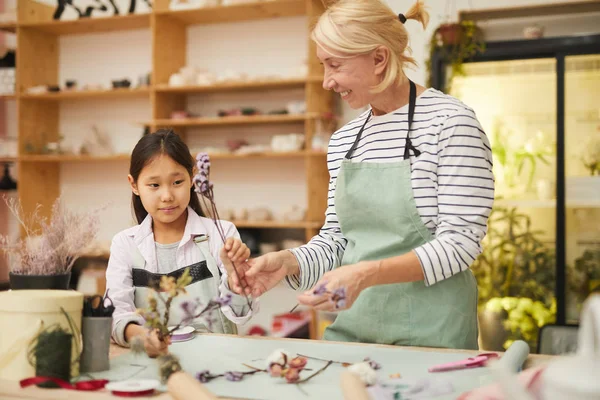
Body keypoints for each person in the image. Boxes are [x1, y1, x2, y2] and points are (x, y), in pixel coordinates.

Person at [227, 0, 494, 349]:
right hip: (355, 334)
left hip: (433, 337)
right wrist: (288, 262)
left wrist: (366, 274)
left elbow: (461, 244)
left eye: (334, 65)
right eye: (323, 66)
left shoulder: (450, 123)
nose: (326, 82)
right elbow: (338, 240)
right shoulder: (344, 140)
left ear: (379, 59)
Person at [106, 129, 256, 357]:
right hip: (153, 359)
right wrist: (139, 334)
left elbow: (242, 313)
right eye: (154, 185)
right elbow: (116, 311)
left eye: (177, 182)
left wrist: (234, 272)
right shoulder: (125, 244)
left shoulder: (221, 233)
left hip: (217, 360)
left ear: (193, 178)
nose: (167, 195)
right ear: (134, 185)